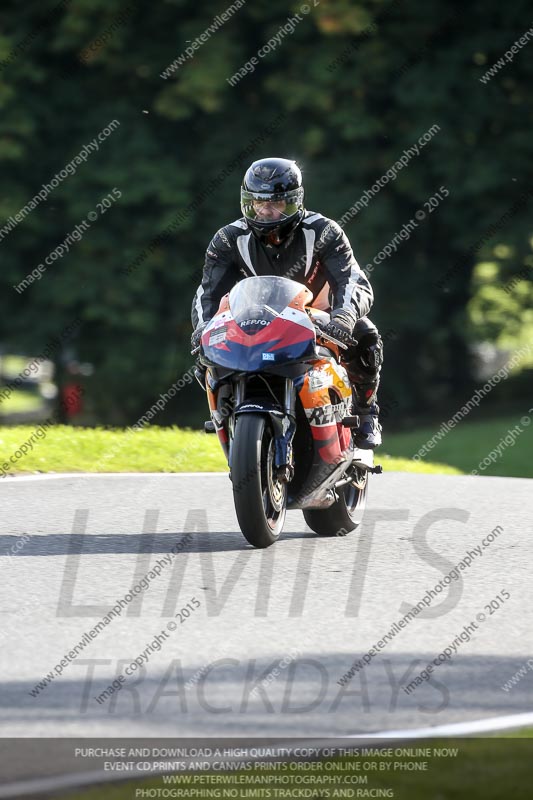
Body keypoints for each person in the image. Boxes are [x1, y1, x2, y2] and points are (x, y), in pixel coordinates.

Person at [191, 157, 383, 449]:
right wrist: (203, 328)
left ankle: (367, 412)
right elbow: (208, 292)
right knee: (206, 361)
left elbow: (353, 280)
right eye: (257, 202)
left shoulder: (325, 232)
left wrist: (343, 318)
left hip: (318, 316)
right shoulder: (227, 239)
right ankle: (228, 418)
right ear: (246, 202)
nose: (266, 210)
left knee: (366, 335)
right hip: (252, 320)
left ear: (295, 201)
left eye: (276, 203)